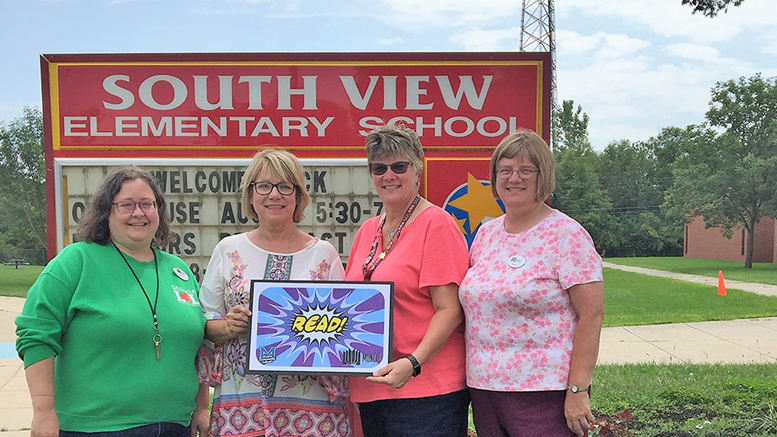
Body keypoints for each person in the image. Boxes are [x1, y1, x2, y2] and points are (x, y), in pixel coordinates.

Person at [15, 165, 208, 437]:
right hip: (95, 428)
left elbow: (196, 348)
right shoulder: (76, 261)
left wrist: (201, 407)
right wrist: (44, 412)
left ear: (158, 210)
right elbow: (35, 335)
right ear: (107, 211)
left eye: (147, 204)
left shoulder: (179, 270)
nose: (138, 213)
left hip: (176, 425)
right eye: (126, 205)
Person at [458, 129, 604, 437]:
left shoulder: (567, 235)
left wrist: (578, 388)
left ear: (543, 176)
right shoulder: (486, 234)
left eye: (526, 170)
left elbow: (592, 314)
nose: (514, 178)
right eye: (506, 170)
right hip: (484, 389)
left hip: (543, 392)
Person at [196, 149, 352, 437]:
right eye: (264, 186)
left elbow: (343, 335)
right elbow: (204, 324)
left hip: (311, 407)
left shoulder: (324, 255)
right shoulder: (228, 250)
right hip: (241, 405)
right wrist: (228, 326)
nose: (274, 195)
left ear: (298, 195)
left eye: (284, 186)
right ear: (251, 195)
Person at [344, 124, 470, 437]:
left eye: (399, 166)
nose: (389, 175)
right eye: (379, 168)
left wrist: (413, 362)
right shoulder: (367, 230)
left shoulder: (436, 224)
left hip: (426, 390)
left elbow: (450, 310)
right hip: (372, 386)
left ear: (418, 170)